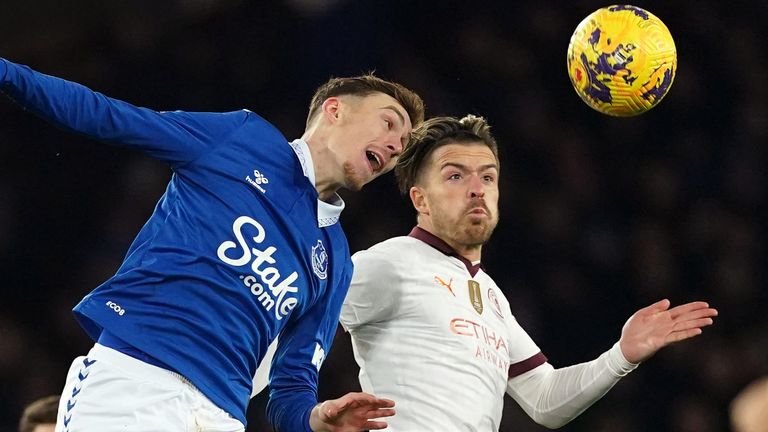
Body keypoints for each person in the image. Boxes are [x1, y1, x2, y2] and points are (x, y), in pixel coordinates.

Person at [0, 57, 424, 432]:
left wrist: (317, 419)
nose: (394, 146)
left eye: (402, 146)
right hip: (136, 381)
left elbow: (291, 387)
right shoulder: (240, 139)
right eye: (389, 123)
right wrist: (7, 73)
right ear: (334, 110)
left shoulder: (334, 261)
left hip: (220, 417)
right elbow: (107, 116)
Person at [339, 115, 718, 431]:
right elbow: (287, 311)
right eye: (455, 176)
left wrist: (620, 356)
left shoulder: (491, 296)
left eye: (487, 177)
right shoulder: (389, 263)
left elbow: (544, 398)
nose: (476, 189)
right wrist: (305, 414)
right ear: (420, 198)